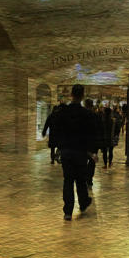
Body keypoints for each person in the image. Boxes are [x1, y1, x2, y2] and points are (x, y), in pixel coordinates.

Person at [53, 85, 97, 221]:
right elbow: (90, 135)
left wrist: (58, 148)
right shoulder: (87, 114)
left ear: (71, 94)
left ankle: (67, 212)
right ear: (82, 96)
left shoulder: (63, 112)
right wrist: (92, 152)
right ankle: (83, 203)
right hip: (80, 152)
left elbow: (58, 131)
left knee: (68, 181)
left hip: (66, 152)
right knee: (80, 179)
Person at [83, 98, 102, 186]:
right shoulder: (96, 116)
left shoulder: (82, 115)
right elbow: (99, 129)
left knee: (83, 160)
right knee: (92, 161)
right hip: (94, 142)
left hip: (83, 142)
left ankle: (84, 178)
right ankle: (89, 179)